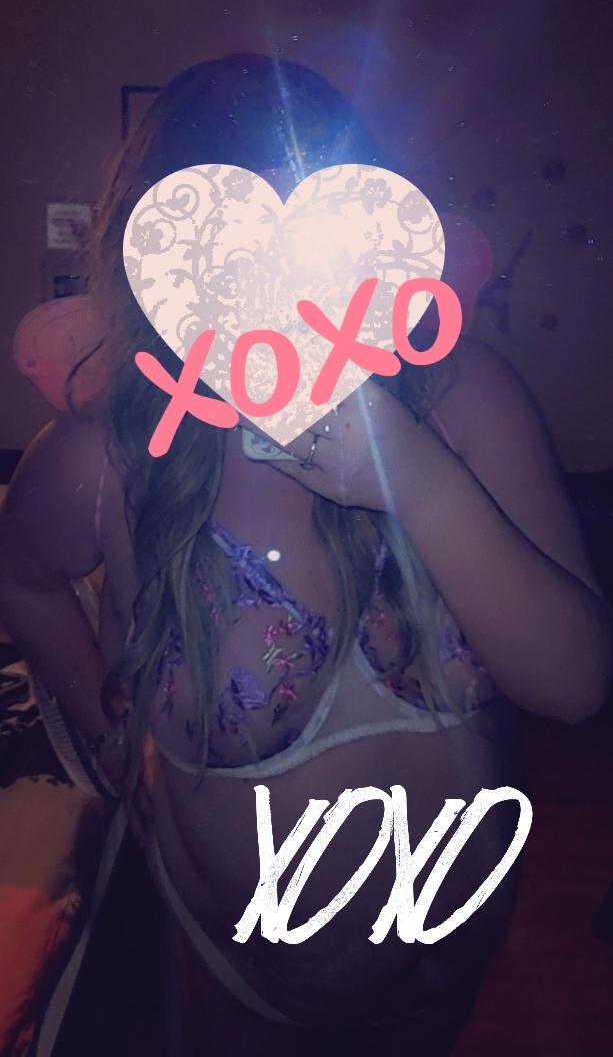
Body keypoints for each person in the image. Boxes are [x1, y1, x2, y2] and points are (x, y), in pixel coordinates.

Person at [0, 54, 611, 1056]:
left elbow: (576, 687)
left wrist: (416, 478)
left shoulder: (463, 399)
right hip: (252, 1002)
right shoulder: (107, 465)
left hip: (457, 968)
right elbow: (20, 575)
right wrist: (107, 729)